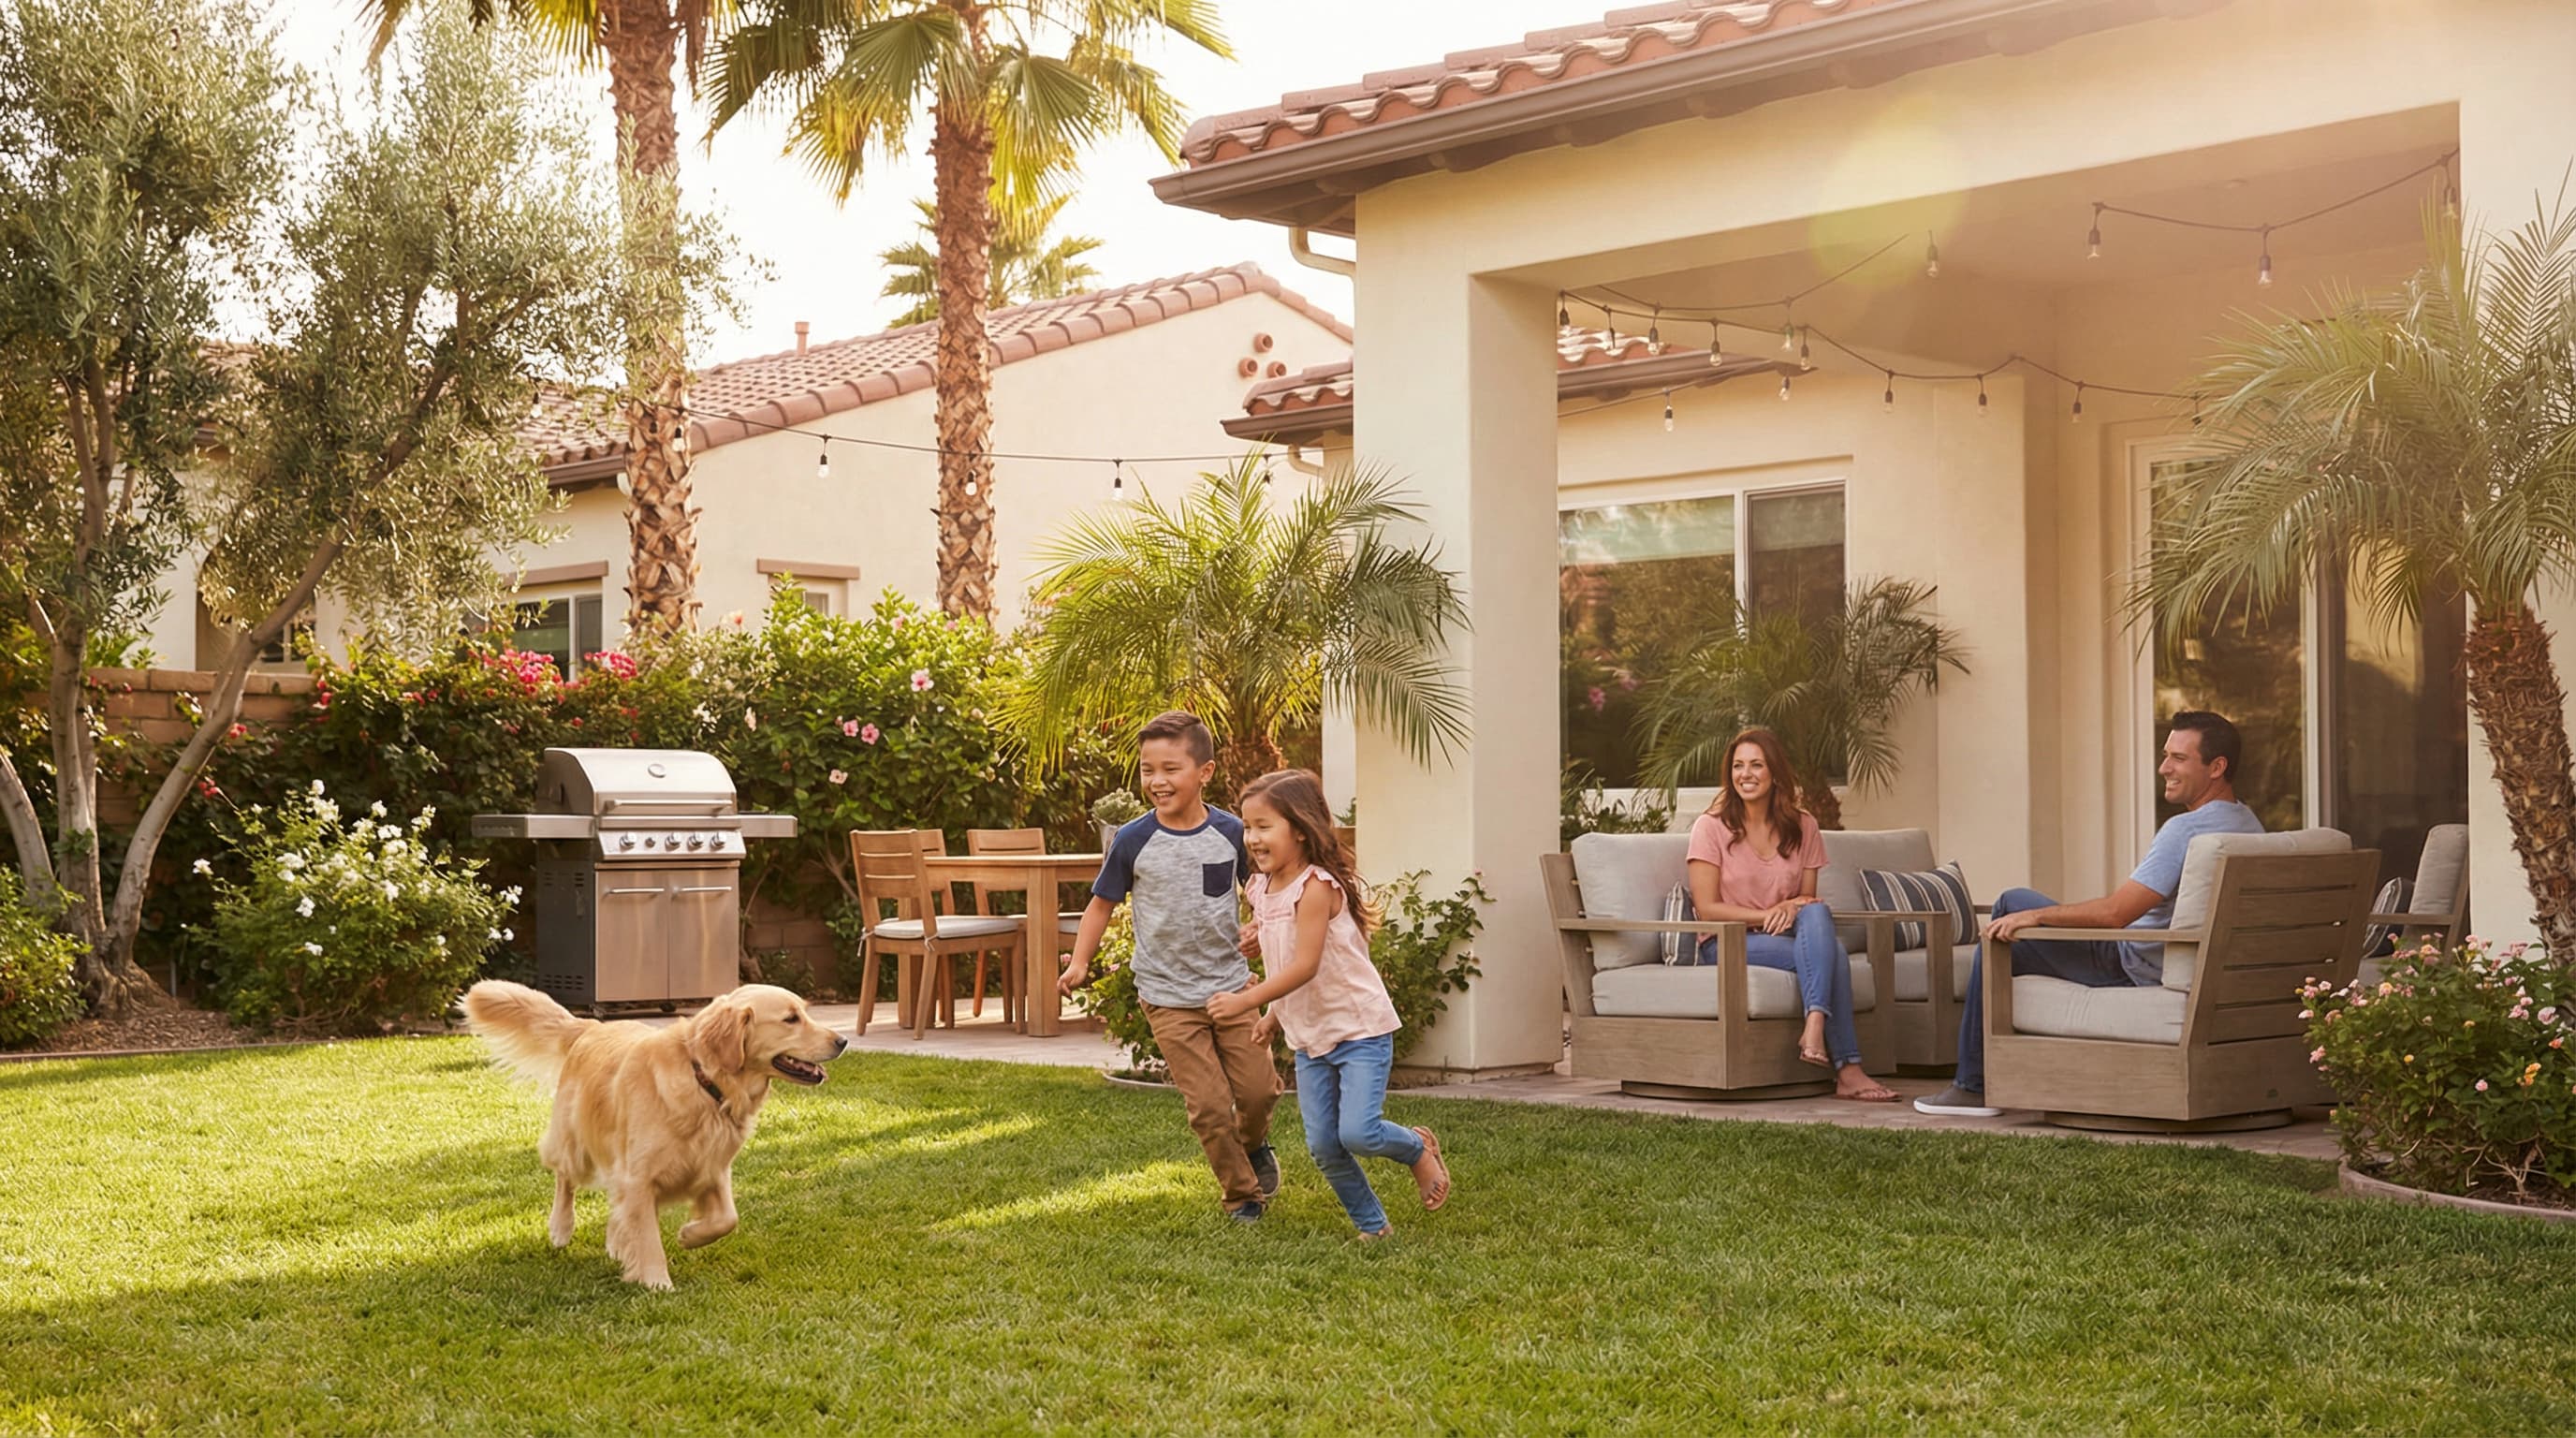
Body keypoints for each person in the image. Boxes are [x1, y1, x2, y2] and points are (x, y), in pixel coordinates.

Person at [1913, 711, 2263, 1117]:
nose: (2163, 767)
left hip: (2133, 962)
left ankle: (1972, 1086)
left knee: (2011, 905)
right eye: (2165, 755)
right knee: (2016, 925)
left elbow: (2116, 914)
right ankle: (1990, 1076)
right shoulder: (2249, 825)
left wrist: (2039, 916)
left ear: (2217, 767)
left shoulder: (2185, 831)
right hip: (2183, 963)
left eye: (2179, 758)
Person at [1208, 769, 1451, 1239]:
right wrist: (1275, 1016)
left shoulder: (1316, 886)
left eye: (1264, 826)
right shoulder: (1261, 887)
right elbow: (1285, 954)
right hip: (1311, 1034)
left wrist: (1248, 1002)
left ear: (1299, 828)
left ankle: (1417, 1148)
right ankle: (1373, 1226)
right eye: (1248, 827)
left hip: (1358, 1028)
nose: (1252, 838)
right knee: (1323, 1144)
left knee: (1358, 1132)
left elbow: (1307, 965)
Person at [1059, 710, 1280, 1221]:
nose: (1156, 781)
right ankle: (1243, 1195)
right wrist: (1080, 963)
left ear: (1204, 772)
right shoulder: (1133, 840)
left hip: (1231, 989)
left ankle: (1254, 1144)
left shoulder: (1232, 832)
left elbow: (1264, 890)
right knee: (1207, 1106)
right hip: (1167, 996)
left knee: (1258, 1091)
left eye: (1170, 769)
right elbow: (1101, 903)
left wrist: (1260, 928)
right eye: (1147, 770)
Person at [1685, 726, 1898, 1102]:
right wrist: (1769, 912)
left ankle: (1815, 1024)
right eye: (1737, 766)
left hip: (1782, 936)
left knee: (1818, 914)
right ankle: (1847, 1068)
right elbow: (1707, 908)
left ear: (1775, 773)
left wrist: (1788, 906)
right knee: (1834, 956)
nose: (1745, 774)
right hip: (1727, 942)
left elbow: (1806, 901)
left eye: (1756, 765)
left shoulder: (1804, 826)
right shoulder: (1711, 827)